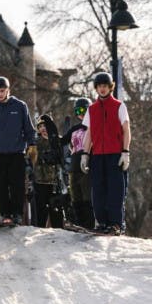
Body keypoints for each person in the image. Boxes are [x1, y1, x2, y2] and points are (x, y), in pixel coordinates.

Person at [80, 72, 131, 235]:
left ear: (110, 87)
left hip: (115, 153)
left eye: (105, 86)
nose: (102, 89)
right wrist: (85, 154)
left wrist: (125, 152)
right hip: (97, 156)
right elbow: (89, 133)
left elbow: (126, 130)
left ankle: (116, 223)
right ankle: (102, 222)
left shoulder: (119, 106)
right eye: (99, 86)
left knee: (115, 190)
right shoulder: (91, 109)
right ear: (96, 88)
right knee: (98, 190)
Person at [0, 76, 36, 227]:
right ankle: (5, 214)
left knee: (17, 185)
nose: (0, 94)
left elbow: (28, 128)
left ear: (8, 90)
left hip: (16, 153)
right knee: (0, 185)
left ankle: (17, 214)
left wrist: (31, 144)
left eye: (2, 91)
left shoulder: (20, 106)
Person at [61, 98, 94, 229]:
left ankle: (89, 224)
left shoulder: (93, 127)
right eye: (78, 110)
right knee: (76, 195)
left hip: (87, 164)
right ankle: (79, 223)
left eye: (84, 110)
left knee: (87, 195)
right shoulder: (75, 128)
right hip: (74, 165)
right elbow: (63, 141)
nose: (81, 113)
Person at [32, 117, 64, 228]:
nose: (43, 129)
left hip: (55, 183)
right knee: (40, 215)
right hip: (39, 182)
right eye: (40, 126)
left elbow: (63, 160)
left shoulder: (58, 141)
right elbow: (29, 161)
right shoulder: (34, 143)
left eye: (45, 125)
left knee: (56, 213)